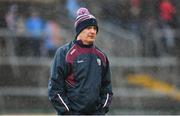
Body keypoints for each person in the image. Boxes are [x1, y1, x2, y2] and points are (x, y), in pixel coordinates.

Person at [48, 7, 113, 115]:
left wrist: (101, 111)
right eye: (88, 28)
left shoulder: (101, 56)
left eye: (94, 28)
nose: (92, 31)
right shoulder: (64, 53)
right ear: (79, 30)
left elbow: (107, 89)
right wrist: (68, 113)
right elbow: (55, 89)